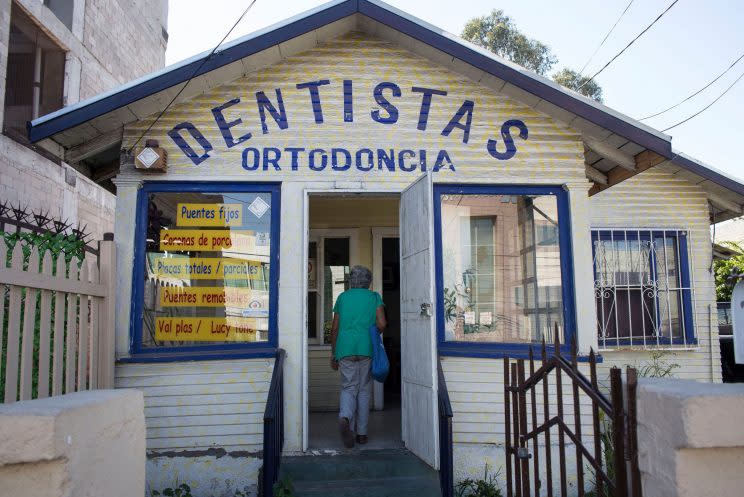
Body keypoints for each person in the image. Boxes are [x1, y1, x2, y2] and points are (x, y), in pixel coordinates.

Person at [330, 265, 386, 448]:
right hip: (366, 349)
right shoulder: (374, 297)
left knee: (348, 387)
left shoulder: (343, 298)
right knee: (363, 390)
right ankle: (362, 434)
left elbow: (335, 328)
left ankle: (345, 418)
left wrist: (334, 353)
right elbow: (382, 324)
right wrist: (372, 331)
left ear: (351, 281)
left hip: (345, 349)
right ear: (368, 282)